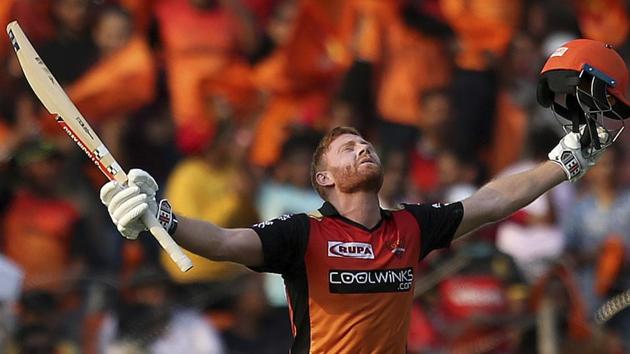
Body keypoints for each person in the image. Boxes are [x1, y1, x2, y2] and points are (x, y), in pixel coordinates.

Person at [99, 39, 628, 353]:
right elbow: (223, 242)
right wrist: (161, 215)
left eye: (364, 142)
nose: (362, 148)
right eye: (346, 148)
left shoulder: (411, 227)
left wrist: (565, 162)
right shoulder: (303, 233)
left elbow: (493, 201)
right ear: (323, 179)